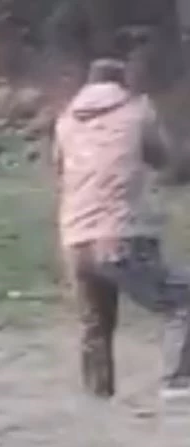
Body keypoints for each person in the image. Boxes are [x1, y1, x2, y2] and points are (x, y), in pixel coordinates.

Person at [53, 57, 190, 401]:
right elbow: (162, 158)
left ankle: (97, 397)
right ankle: (178, 381)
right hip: (120, 234)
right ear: (123, 82)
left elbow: (59, 167)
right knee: (182, 298)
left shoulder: (66, 120)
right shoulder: (136, 112)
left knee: (95, 323)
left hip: (75, 239)